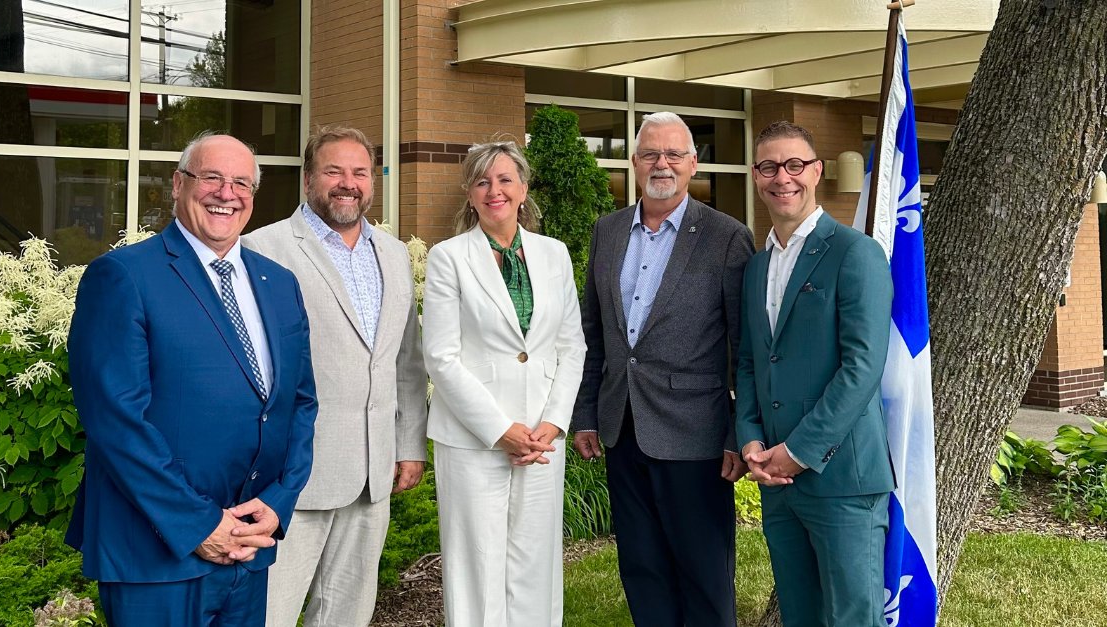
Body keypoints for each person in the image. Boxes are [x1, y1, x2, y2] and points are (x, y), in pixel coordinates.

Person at [66, 133, 318, 625]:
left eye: (241, 182)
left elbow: (300, 403)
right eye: (212, 178)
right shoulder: (123, 276)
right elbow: (116, 422)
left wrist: (278, 501)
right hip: (155, 553)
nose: (227, 193)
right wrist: (200, 524)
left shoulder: (279, 283)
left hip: (250, 544)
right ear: (178, 185)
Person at [572, 111, 754, 627]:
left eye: (674, 154)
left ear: (693, 164)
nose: (662, 164)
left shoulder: (726, 237)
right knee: (642, 569)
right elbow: (593, 332)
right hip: (622, 429)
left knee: (704, 575)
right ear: (634, 162)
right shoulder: (607, 231)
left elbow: (744, 347)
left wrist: (737, 433)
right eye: (651, 153)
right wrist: (586, 414)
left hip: (697, 437)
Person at [242, 125, 428, 627]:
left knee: (348, 611)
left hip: (372, 470)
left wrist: (409, 443)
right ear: (308, 179)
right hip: (292, 475)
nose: (348, 183)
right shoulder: (262, 248)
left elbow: (406, 360)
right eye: (334, 171)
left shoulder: (392, 252)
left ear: (373, 181)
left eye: (359, 172)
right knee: (270, 612)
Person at [735, 121, 895, 627]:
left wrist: (800, 452)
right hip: (776, 480)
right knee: (800, 616)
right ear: (756, 177)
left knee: (853, 618)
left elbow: (862, 367)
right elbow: (750, 360)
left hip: (842, 477)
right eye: (769, 167)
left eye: (794, 165)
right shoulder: (757, 267)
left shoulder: (855, 253)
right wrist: (750, 439)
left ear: (817, 172)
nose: (782, 177)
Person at [422, 140, 586, 627]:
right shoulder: (449, 258)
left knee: (536, 565)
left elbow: (571, 346)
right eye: (482, 181)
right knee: (476, 569)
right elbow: (441, 357)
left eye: (504, 179)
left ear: (523, 189)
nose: (494, 190)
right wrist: (500, 430)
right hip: (474, 440)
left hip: (542, 439)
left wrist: (554, 423)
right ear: (470, 194)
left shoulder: (554, 254)